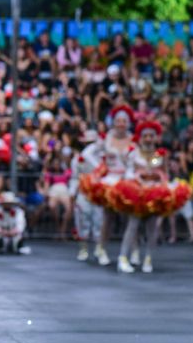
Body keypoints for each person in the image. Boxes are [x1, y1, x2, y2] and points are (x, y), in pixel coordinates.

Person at [81, 105, 135, 266]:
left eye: (124, 121)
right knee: (108, 217)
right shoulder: (106, 138)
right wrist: (100, 166)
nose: (121, 124)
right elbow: (87, 154)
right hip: (110, 180)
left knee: (130, 218)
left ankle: (130, 251)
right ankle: (102, 248)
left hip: (128, 180)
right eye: (118, 120)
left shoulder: (133, 139)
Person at [115, 121, 169, 273]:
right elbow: (128, 172)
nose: (148, 139)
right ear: (140, 138)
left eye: (151, 136)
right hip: (137, 193)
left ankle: (148, 259)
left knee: (152, 227)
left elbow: (164, 173)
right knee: (133, 224)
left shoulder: (160, 155)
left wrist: (160, 180)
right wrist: (139, 177)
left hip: (154, 193)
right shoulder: (134, 153)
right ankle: (123, 257)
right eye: (145, 136)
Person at [70, 130, 104, 261]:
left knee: (99, 220)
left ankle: (99, 248)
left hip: (99, 192)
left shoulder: (102, 159)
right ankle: (83, 248)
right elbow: (74, 177)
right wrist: (73, 191)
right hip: (84, 192)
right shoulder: (79, 159)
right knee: (82, 219)